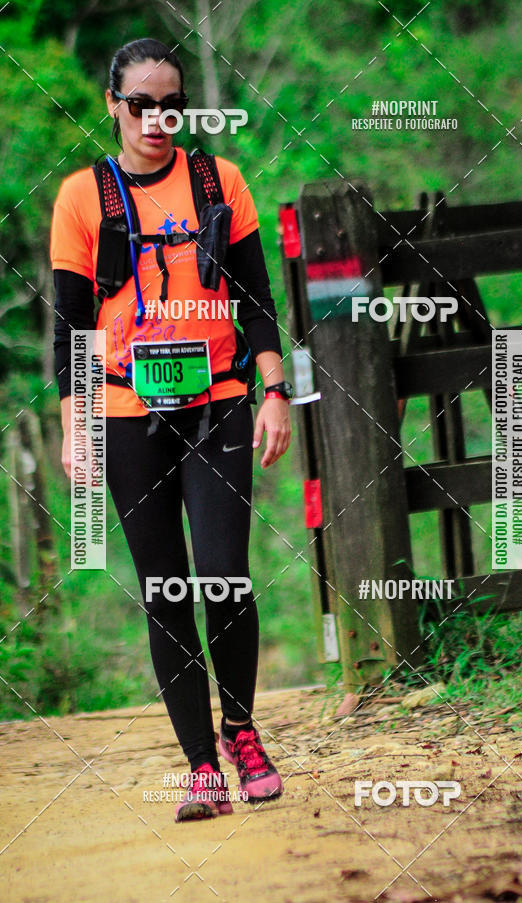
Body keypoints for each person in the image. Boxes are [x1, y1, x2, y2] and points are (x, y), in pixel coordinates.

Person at [50, 38, 293, 821]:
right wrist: (74, 424)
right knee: (165, 590)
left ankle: (243, 732)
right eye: (140, 103)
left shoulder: (219, 181)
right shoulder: (83, 198)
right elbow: (70, 328)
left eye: (171, 104)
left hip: (218, 401)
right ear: (113, 106)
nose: (156, 118)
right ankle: (199, 767)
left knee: (222, 574)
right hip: (126, 413)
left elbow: (256, 298)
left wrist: (276, 391)